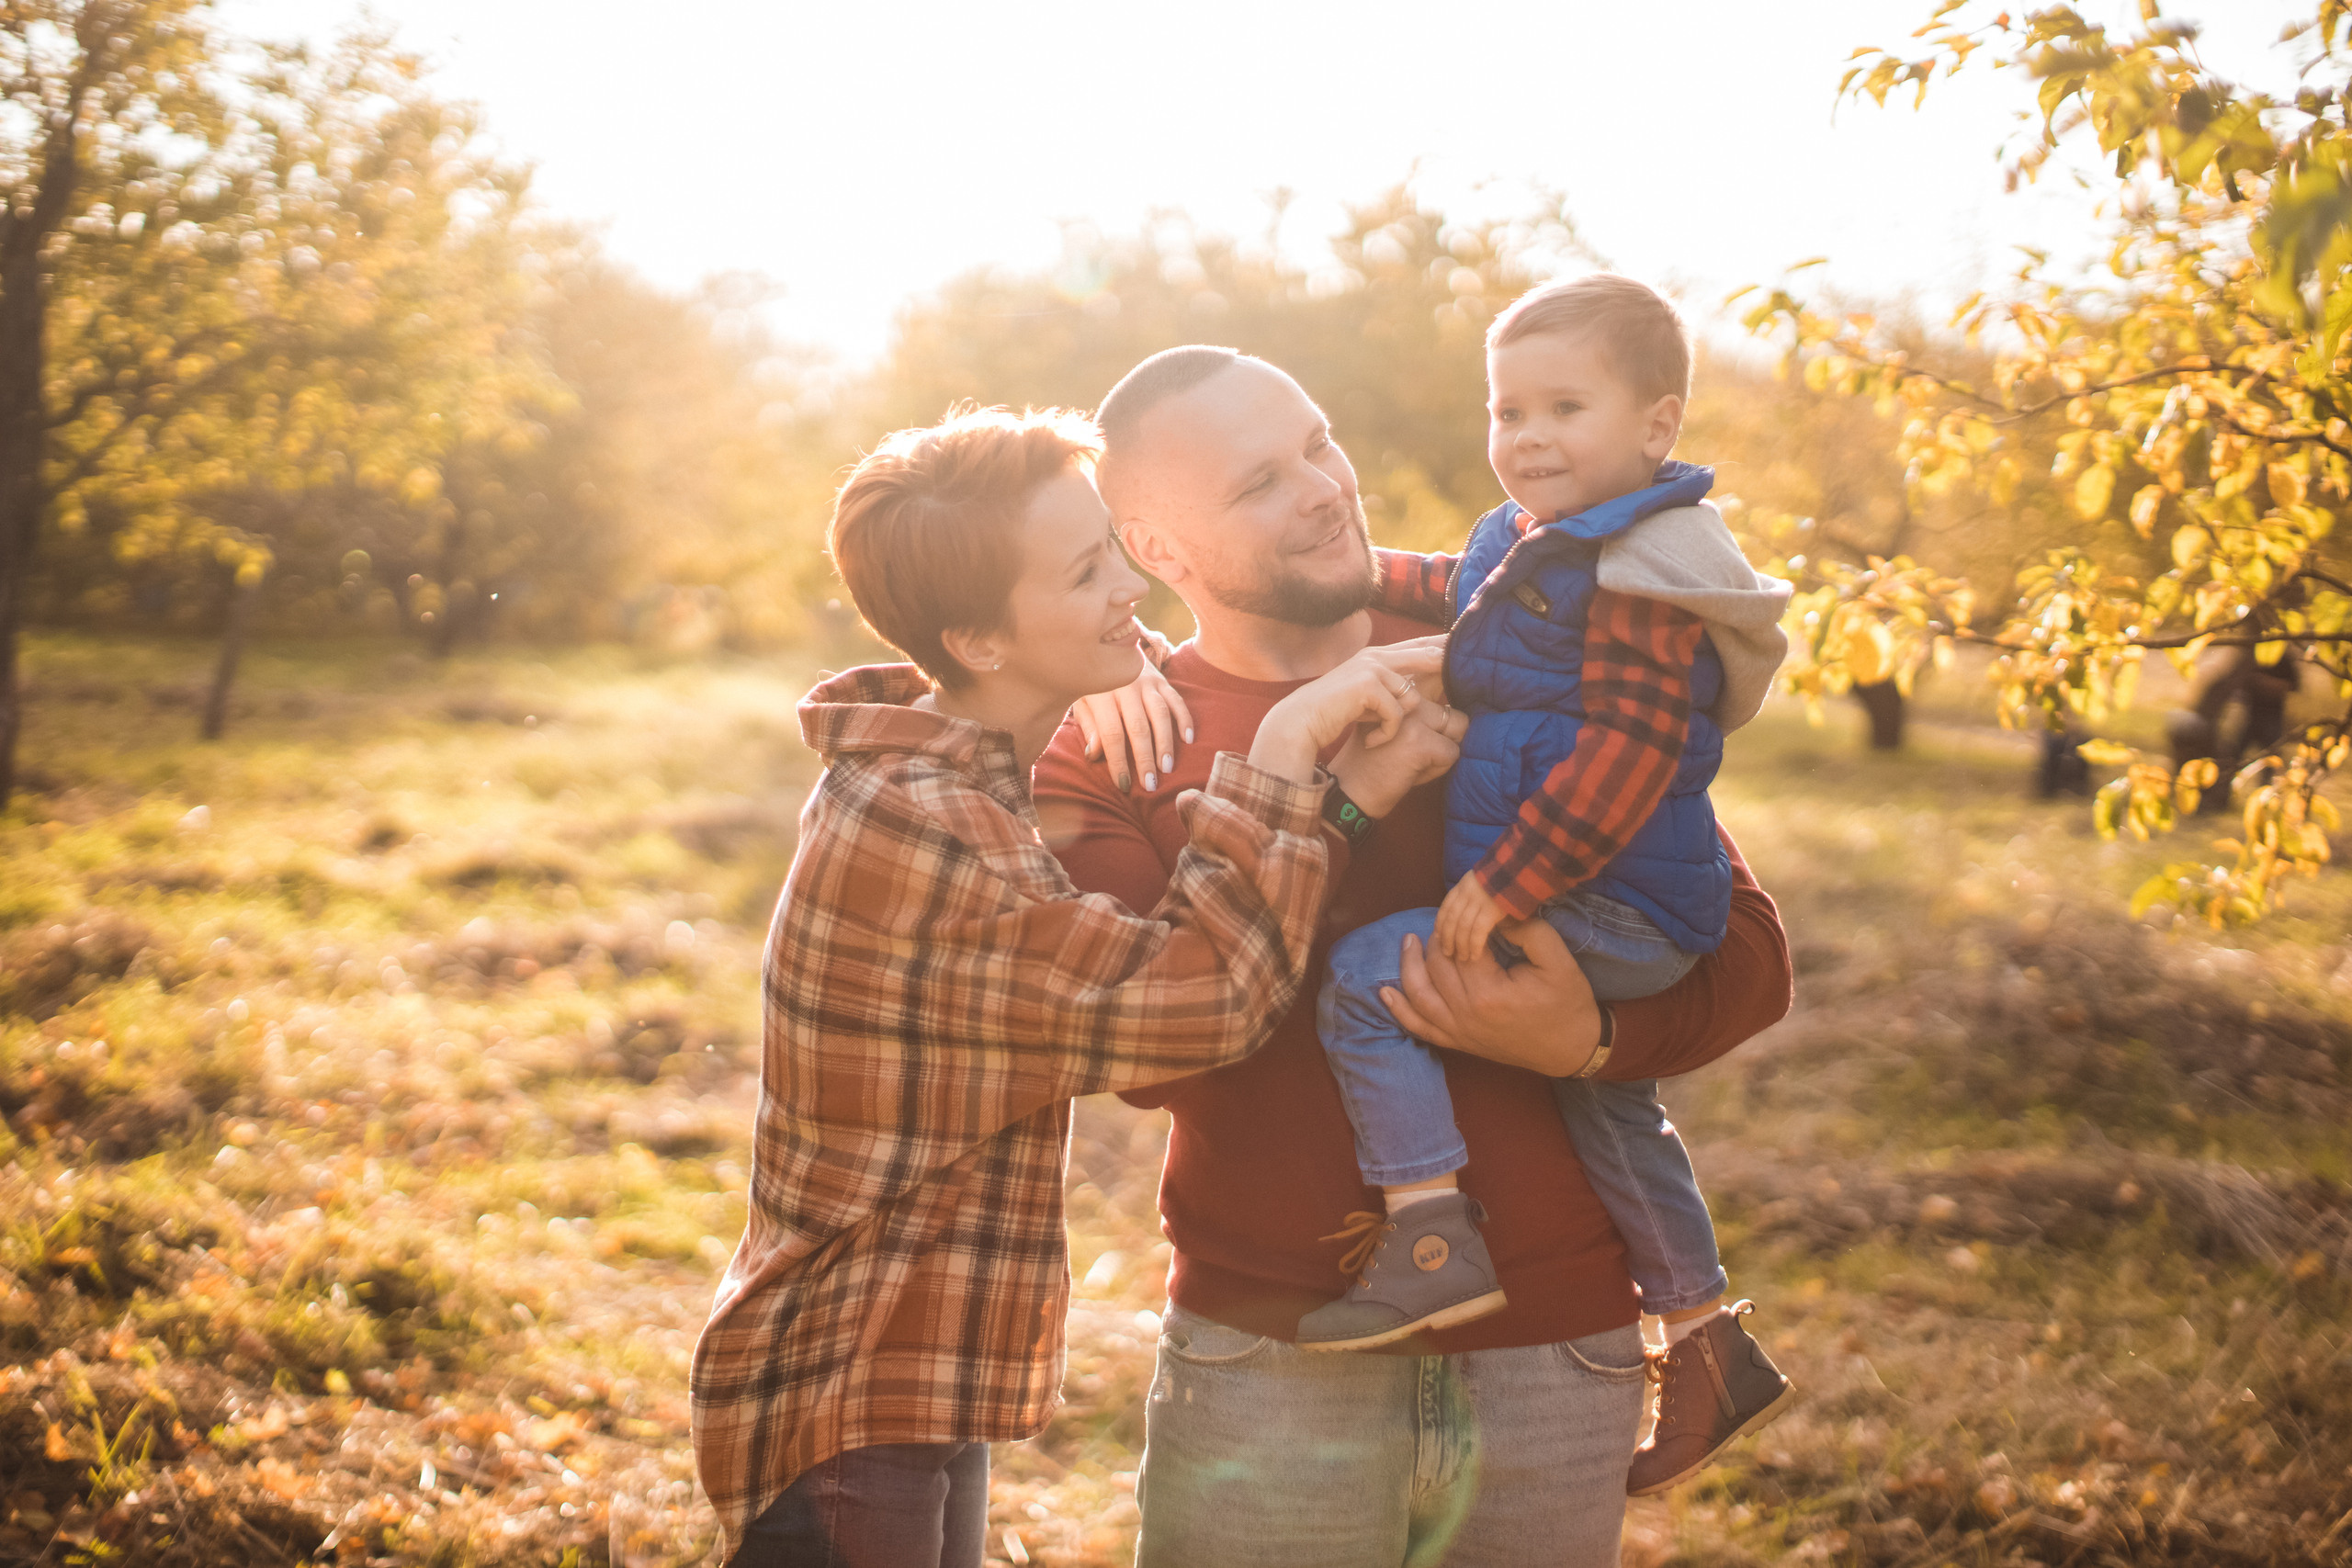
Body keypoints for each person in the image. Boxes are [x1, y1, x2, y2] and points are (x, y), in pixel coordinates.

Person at [1031, 347, 1793, 1567]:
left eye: (1319, 442)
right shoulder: (1118, 749)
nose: (1327, 487)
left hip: (1557, 1348)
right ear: (1159, 550)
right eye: (1260, 483)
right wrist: (1311, 785)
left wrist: (1587, 1039)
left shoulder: (1518, 652)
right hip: (1270, 1360)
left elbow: (1745, 948)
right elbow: (1148, 1051)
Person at [688, 405, 1462, 1566]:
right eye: (1088, 573)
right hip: (848, 1390)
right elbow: (1198, 1006)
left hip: (909, 1382)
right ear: (981, 642)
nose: (1131, 595)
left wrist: (1324, 794)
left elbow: (1183, 954)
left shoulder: (947, 745)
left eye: (1115, 549)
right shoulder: (927, 830)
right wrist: (1292, 744)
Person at [1282, 276, 1797, 1498]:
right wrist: (1352, 573)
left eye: (1566, 406)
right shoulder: (1531, 542)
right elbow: (1460, 596)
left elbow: (1630, 748)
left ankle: (1430, 1231)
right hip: (1622, 899)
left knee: (1365, 978)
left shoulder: (1638, 569)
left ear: (1655, 426)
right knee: (1608, 1101)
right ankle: (1705, 1332)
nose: (1529, 436)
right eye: (1509, 409)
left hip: (1609, 900)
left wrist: (1514, 884)